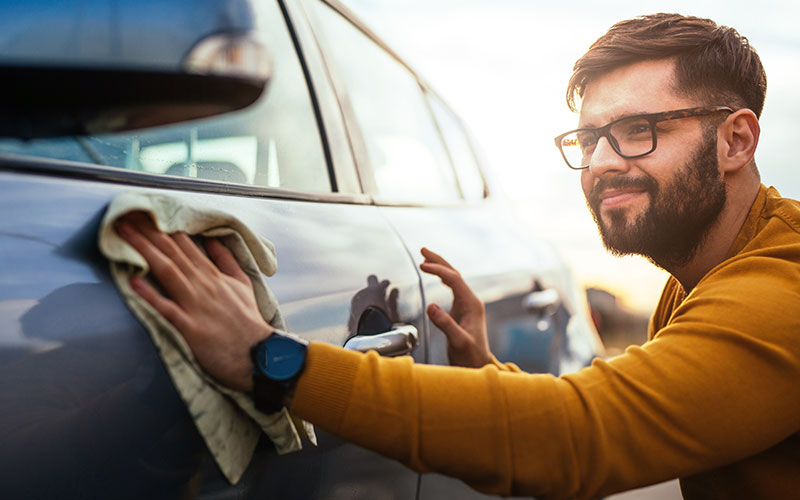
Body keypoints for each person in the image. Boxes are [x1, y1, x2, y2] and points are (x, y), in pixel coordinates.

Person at [115, 13, 800, 500]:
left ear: (736, 141)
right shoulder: (703, 276)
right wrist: (488, 374)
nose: (602, 165)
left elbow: (586, 438)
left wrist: (274, 360)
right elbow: (632, 422)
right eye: (589, 140)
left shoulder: (781, 290)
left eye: (638, 131)